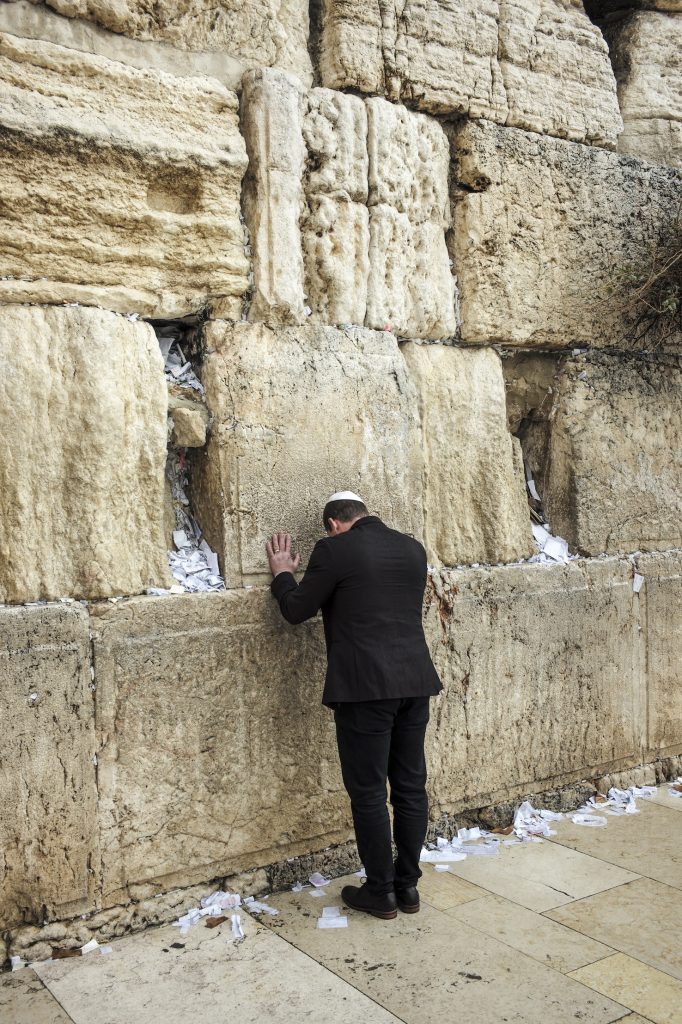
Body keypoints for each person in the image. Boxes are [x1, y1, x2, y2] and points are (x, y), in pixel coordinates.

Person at [265, 491, 442, 920]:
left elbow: (295, 610)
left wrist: (283, 574)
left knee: (367, 793)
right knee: (409, 787)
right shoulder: (411, 548)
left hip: (364, 689)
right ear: (363, 514)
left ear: (333, 524)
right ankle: (408, 887)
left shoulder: (334, 549)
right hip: (414, 682)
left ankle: (380, 892)